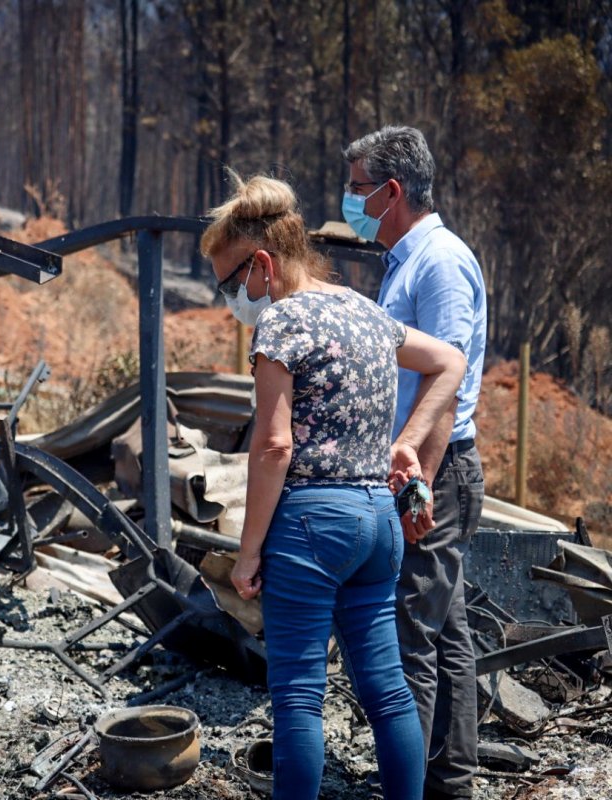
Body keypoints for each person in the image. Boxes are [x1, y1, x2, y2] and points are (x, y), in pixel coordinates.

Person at [201, 170, 467, 800]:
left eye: (231, 283)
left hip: (312, 526)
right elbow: (451, 362)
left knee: (298, 696)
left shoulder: (282, 323)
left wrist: (247, 553)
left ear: (263, 264)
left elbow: (274, 447)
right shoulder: (365, 311)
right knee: (388, 690)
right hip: (378, 523)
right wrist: (408, 442)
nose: (231, 298)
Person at [343, 126, 487, 800]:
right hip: (425, 467)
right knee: (446, 628)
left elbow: (446, 384)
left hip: (437, 470)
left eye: (357, 189)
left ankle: (407, 789)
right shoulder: (405, 260)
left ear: (392, 191)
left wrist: (416, 486)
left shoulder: (440, 263)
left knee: (410, 636)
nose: (350, 202)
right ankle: (449, 781)